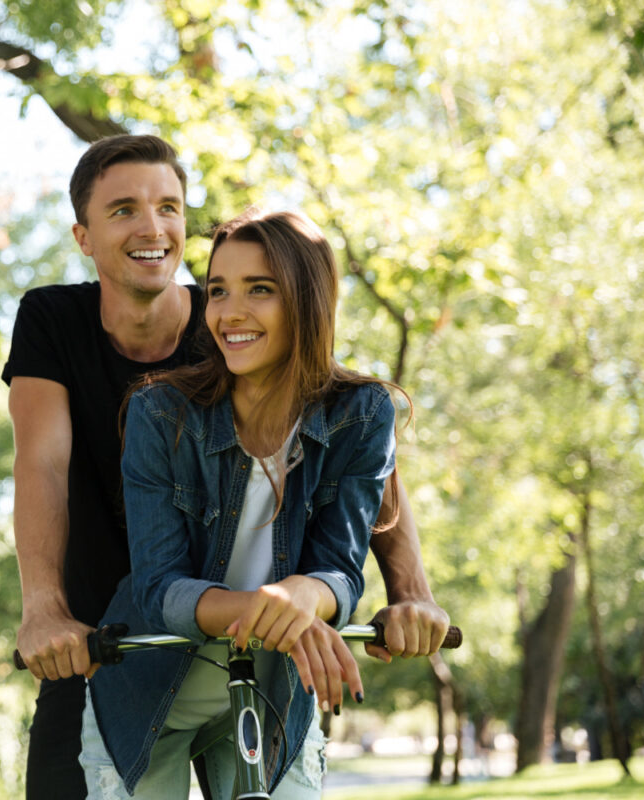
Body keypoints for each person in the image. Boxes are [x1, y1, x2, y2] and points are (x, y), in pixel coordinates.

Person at [1, 134, 447, 800]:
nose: (152, 226)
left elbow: (355, 452)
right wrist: (44, 609)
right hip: (108, 634)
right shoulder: (61, 324)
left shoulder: (236, 322)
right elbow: (41, 464)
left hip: (262, 639)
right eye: (123, 209)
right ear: (83, 235)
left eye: (169, 207)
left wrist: (407, 592)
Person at [81, 207, 398, 798]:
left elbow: (342, 567)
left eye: (261, 290)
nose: (230, 313)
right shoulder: (161, 415)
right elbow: (158, 587)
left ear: (308, 300)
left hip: (275, 688)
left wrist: (307, 595)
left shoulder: (364, 413)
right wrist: (275, 610)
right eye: (219, 290)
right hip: (151, 688)